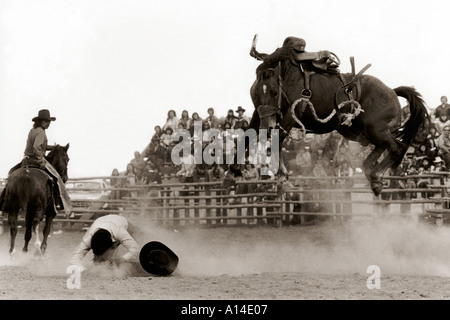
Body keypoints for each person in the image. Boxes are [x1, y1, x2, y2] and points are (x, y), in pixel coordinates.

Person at [0, 109, 72, 215]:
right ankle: (57, 203)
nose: (48, 124)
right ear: (40, 121)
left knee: (11, 175)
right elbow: (36, 147)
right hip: (36, 159)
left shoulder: (32, 130)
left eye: (49, 122)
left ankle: (3, 200)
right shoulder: (41, 132)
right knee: (57, 178)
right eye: (46, 121)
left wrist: (53, 147)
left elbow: (41, 146)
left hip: (26, 159)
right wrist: (41, 159)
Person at [68, 214, 140, 272]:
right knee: (100, 261)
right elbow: (73, 259)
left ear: (111, 246)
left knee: (136, 245)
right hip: (102, 222)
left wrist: (122, 259)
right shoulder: (87, 240)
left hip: (121, 222)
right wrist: (83, 270)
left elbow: (135, 249)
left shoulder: (119, 231)